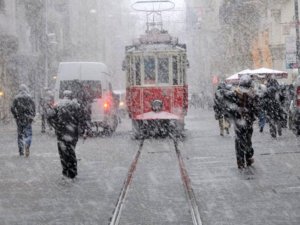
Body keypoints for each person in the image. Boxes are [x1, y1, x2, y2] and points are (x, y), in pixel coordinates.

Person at [48, 90, 88, 179]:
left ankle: (65, 171)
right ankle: (73, 172)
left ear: (63, 96)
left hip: (61, 133)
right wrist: (83, 130)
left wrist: (56, 126)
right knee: (71, 151)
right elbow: (82, 119)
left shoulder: (58, 106)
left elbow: (49, 117)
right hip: (73, 134)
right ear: (71, 97)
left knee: (63, 153)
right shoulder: (76, 106)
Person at [224, 75, 259, 169]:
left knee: (239, 140)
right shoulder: (253, 95)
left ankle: (240, 161)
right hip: (247, 122)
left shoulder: (235, 93)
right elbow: (256, 109)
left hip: (239, 122)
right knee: (247, 140)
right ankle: (248, 158)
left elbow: (228, 105)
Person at [11, 84, 36, 157]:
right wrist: (32, 116)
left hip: (19, 119)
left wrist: (16, 115)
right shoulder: (30, 97)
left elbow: (12, 108)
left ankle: (21, 151)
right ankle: (27, 145)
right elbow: (34, 108)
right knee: (28, 134)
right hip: (28, 119)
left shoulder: (16, 98)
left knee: (20, 135)